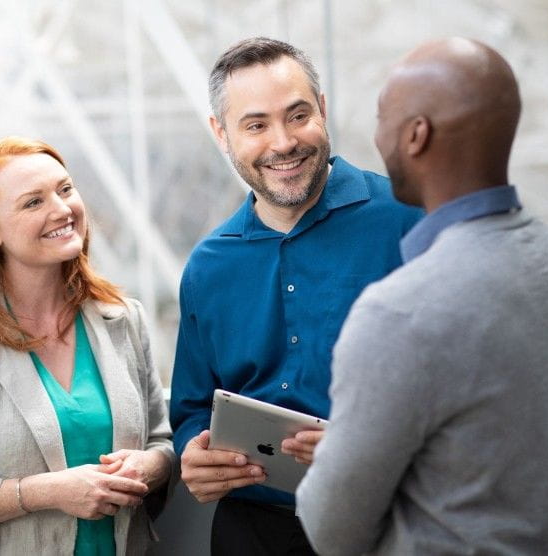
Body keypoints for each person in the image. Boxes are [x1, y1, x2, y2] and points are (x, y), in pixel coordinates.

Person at [296, 37, 548, 555]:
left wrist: (343, 457)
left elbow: (332, 532)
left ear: (416, 135)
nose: (376, 136)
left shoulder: (398, 313)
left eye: (381, 117)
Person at [169, 37, 422, 555]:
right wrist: (192, 454)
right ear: (221, 134)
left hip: (388, 525)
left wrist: (371, 448)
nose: (283, 142)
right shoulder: (208, 266)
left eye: (298, 115)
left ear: (323, 111)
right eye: (256, 125)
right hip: (251, 533)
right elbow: (193, 407)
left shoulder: (411, 221)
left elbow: (468, 384)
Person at [0, 137, 175, 556]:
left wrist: (151, 466)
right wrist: (44, 492)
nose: (62, 210)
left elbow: (161, 442)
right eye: (33, 203)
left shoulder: (123, 320)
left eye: (65, 190)